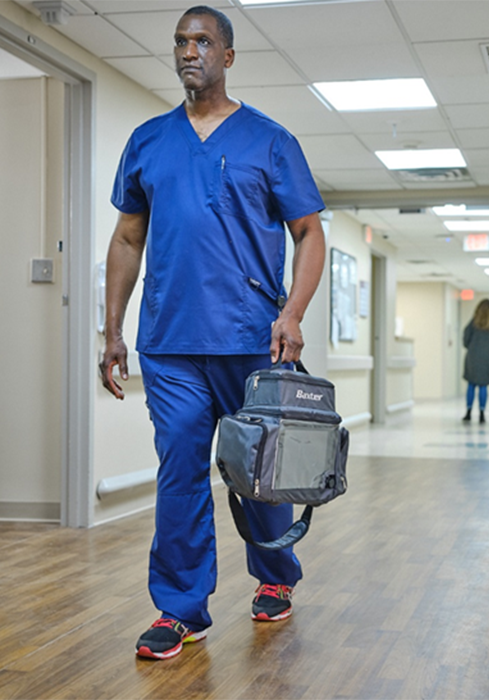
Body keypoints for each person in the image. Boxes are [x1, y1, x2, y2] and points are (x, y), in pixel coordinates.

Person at [99, 5, 326, 661]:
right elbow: (127, 237)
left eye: (203, 41)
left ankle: (276, 577)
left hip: (252, 339)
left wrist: (293, 314)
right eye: (180, 41)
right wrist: (112, 329)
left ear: (228, 57)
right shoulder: (148, 140)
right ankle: (180, 608)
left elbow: (309, 232)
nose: (188, 50)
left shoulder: (270, 140)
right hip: (168, 342)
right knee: (179, 472)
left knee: (257, 473)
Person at [462, 299, 489, 424]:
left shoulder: (473, 323)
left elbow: (465, 340)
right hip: (488, 359)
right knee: (483, 386)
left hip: (473, 357)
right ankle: (482, 413)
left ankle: (468, 412)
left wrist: (474, 348)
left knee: (471, 384)